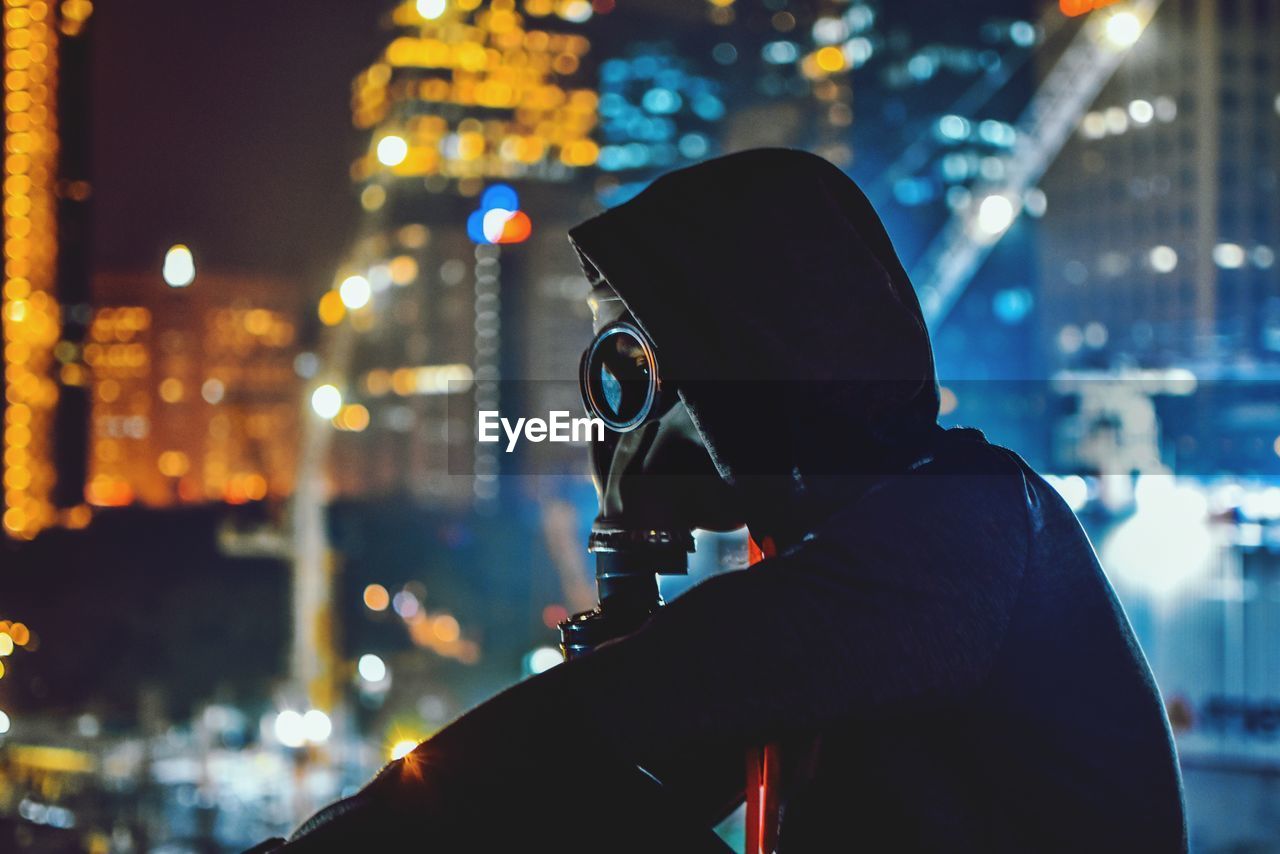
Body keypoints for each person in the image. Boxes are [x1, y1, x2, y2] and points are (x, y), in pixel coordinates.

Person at [251, 149, 1186, 852]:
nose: (616, 413)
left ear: (752, 357)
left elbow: (586, 728)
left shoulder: (952, 532)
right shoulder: (856, 543)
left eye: (634, 361)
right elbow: (615, 773)